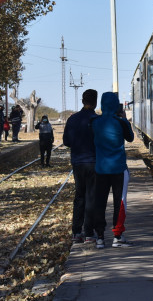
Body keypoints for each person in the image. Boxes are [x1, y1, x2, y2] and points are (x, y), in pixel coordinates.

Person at [91, 92, 135, 249]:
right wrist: (123, 118)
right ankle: (117, 237)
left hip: (100, 169)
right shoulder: (121, 122)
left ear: (102, 105)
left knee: (99, 202)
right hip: (119, 169)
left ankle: (100, 238)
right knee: (120, 202)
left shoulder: (94, 122)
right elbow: (130, 138)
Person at [63, 89, 99, 244]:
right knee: (91, 196)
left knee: (79, 196)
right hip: (94, 163)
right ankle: (89, 233)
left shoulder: (72, 119)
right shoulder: (98, 120)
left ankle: (76, 232)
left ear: (82, 101)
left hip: (78, 163)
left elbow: (66, 142)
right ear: (95, 102)